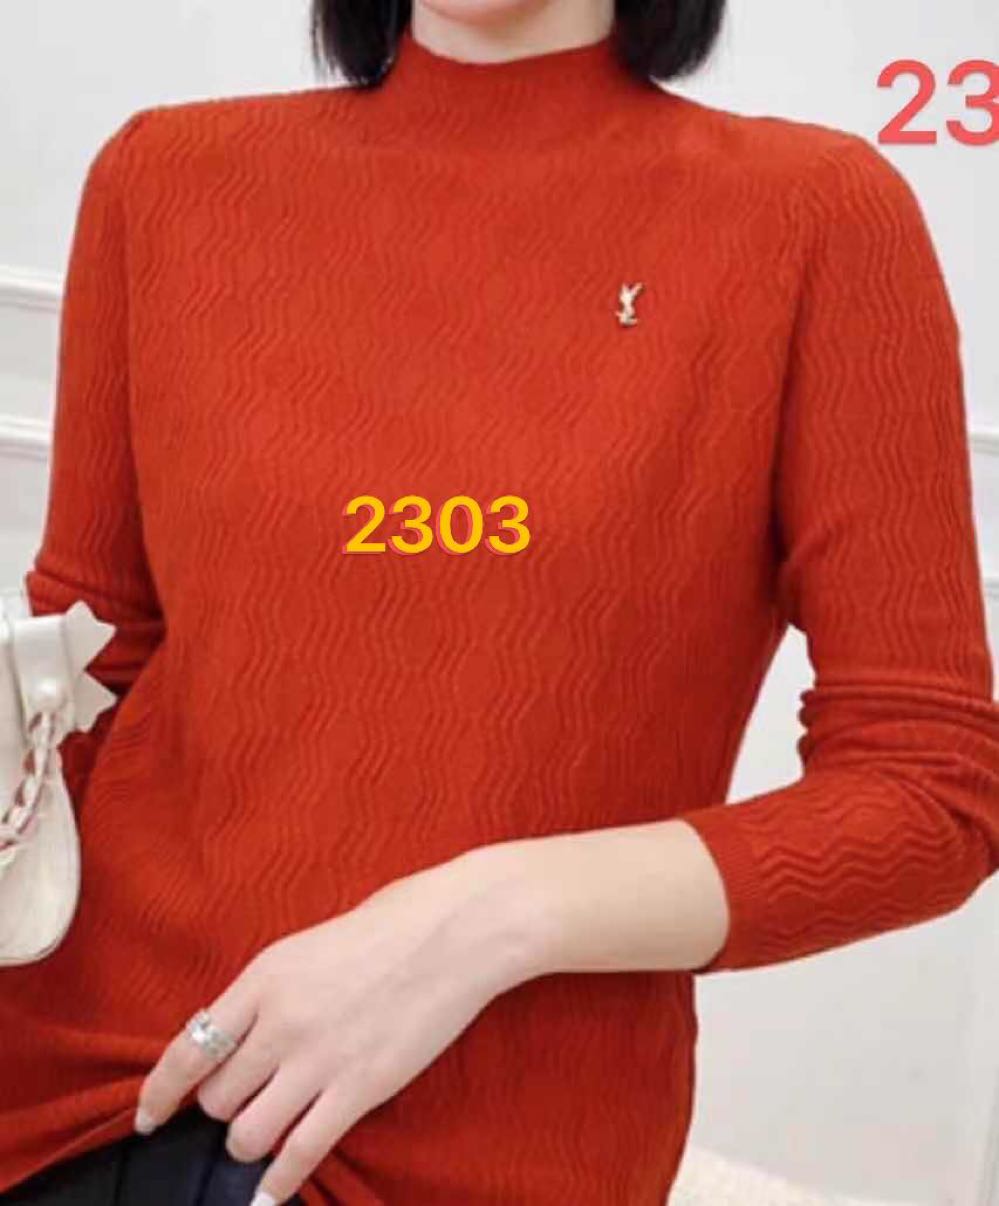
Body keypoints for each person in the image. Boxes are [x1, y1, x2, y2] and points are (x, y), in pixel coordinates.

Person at [2, 1, 998, 1203]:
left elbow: (929, 791)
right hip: (75, 1089)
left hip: (473, 1151)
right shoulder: (164, 178)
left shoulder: (813, 219)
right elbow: (89, 669)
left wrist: (485, 917)